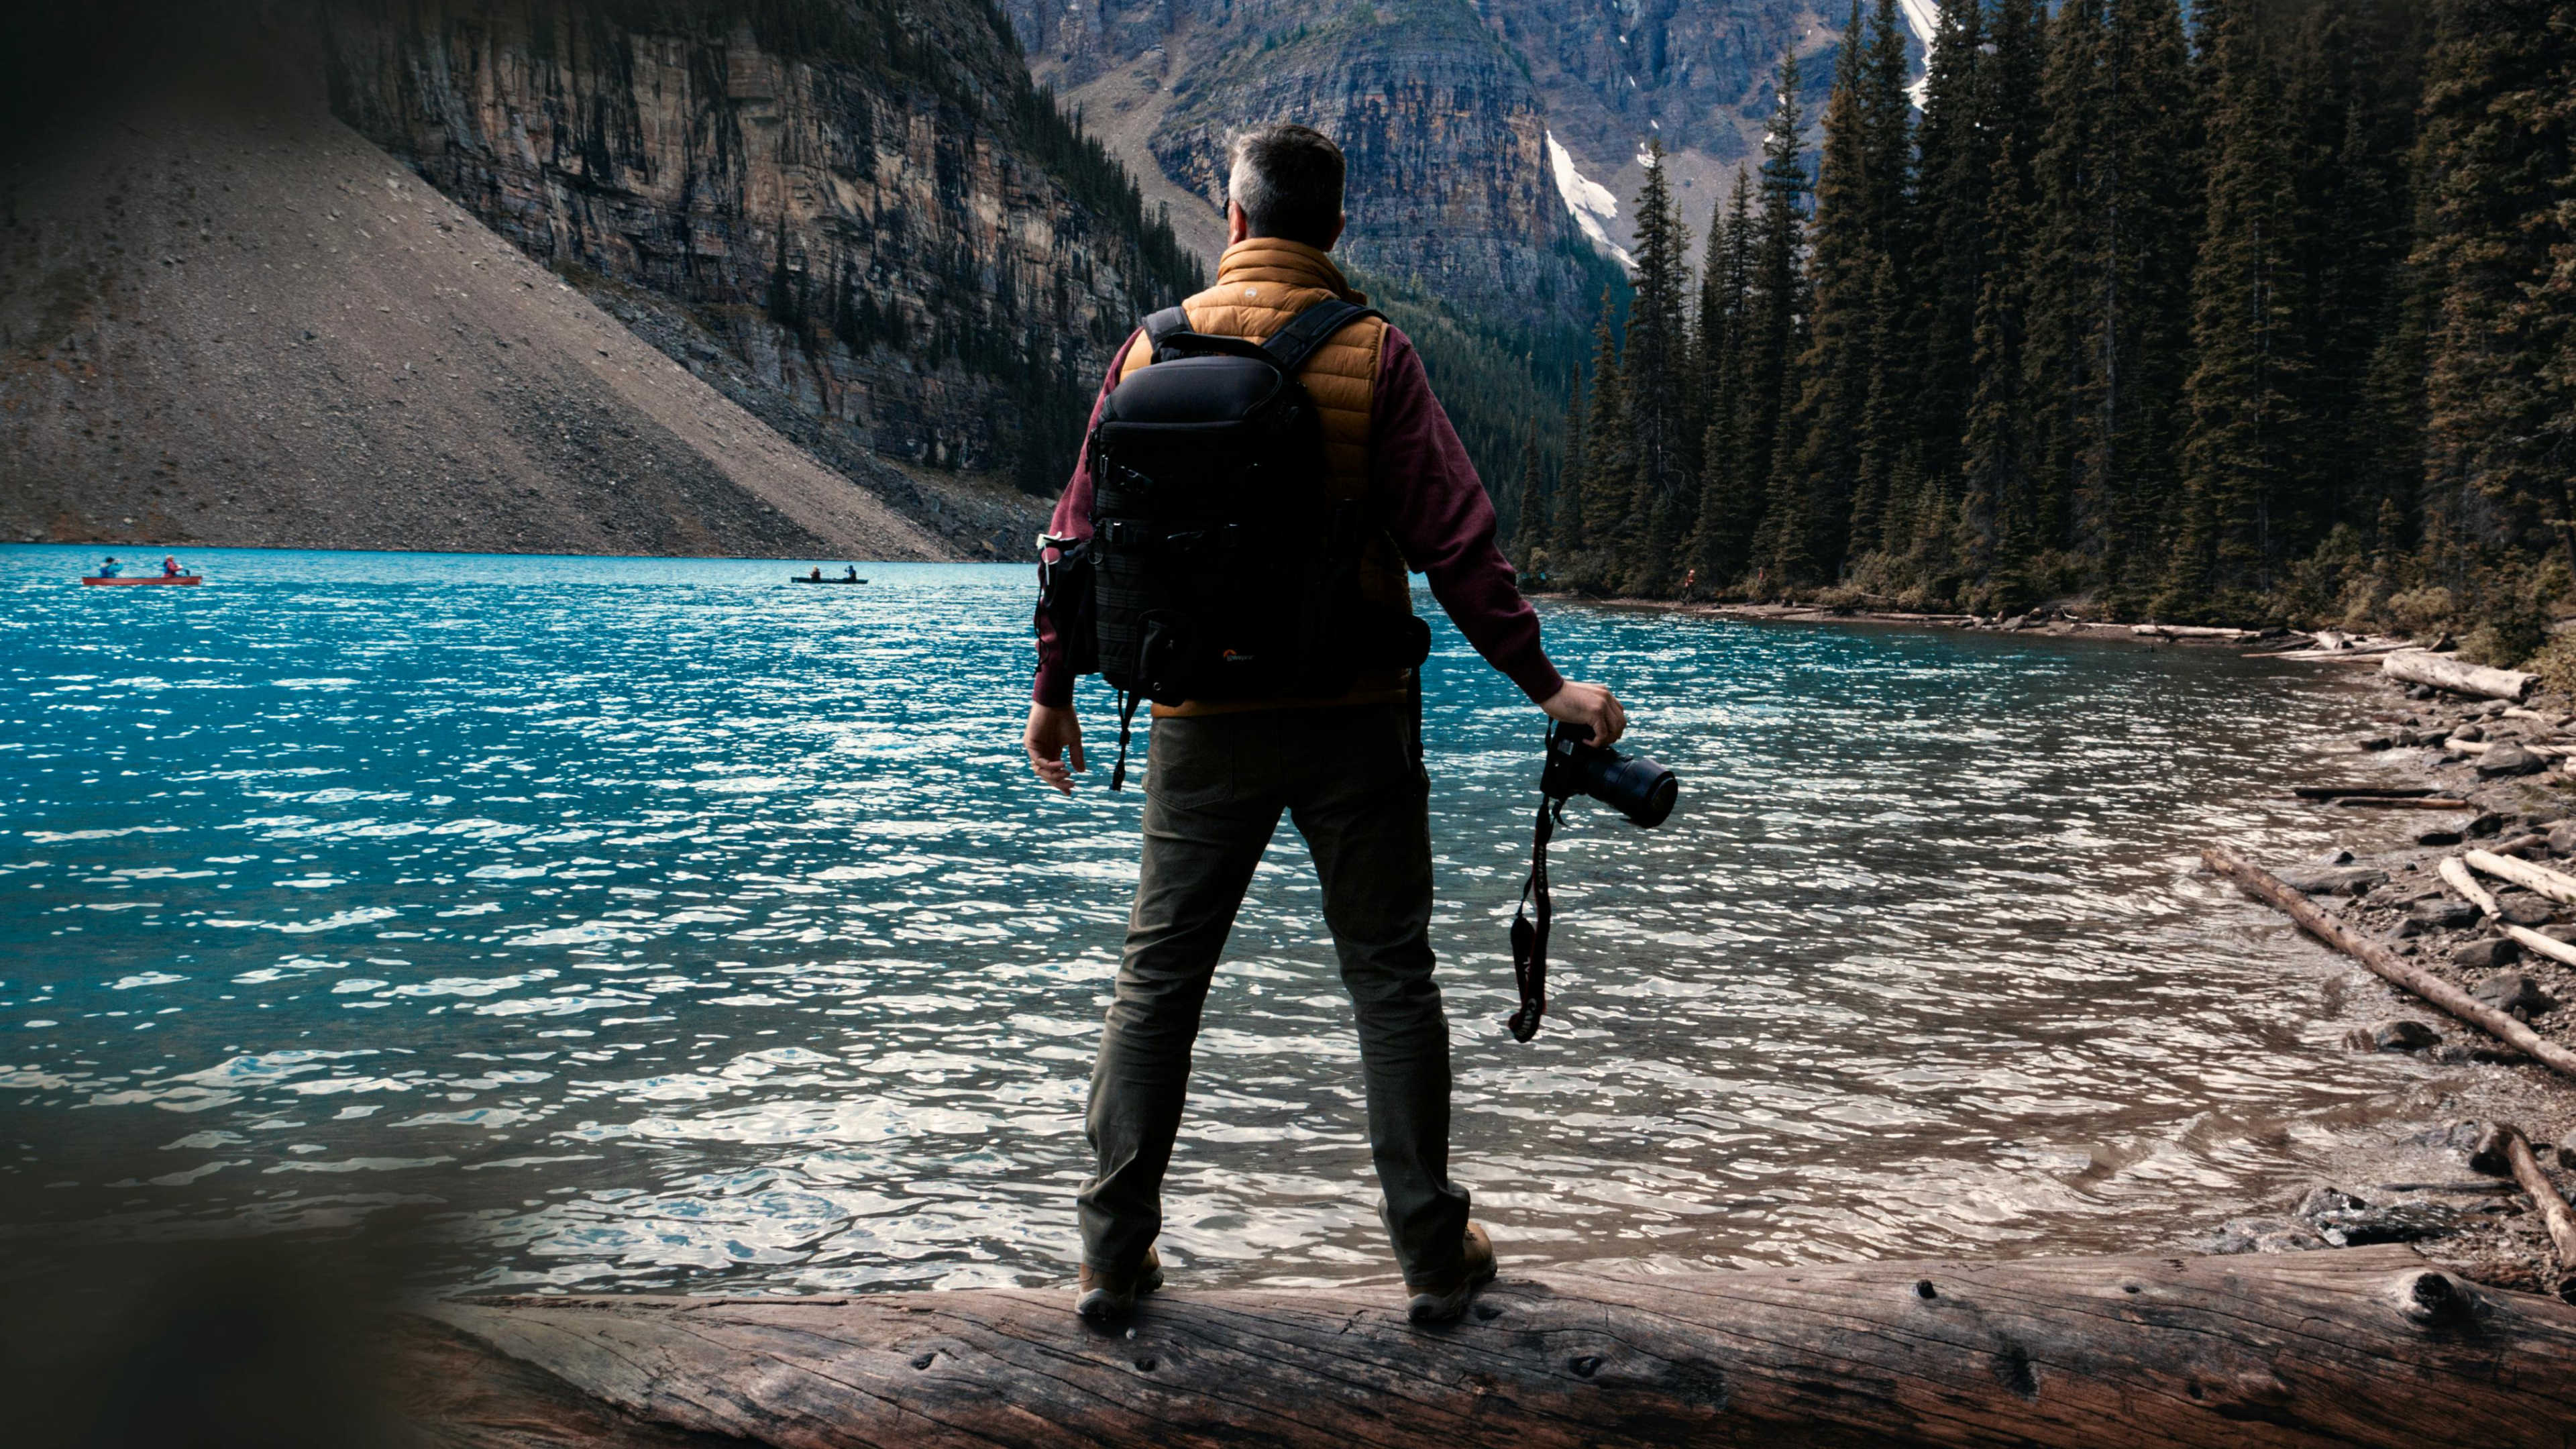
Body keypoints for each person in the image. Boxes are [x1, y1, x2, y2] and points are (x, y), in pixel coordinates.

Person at [1024, 123, 1627, 1327]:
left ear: (1235, 223)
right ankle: (1431, 1258)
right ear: (1335, 230)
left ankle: (1109, 1255)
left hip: (1196, 722)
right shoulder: (1374, 354)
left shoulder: (1151, 348)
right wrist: (1547, 686)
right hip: (1353, 720)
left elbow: (1074, 541)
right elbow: (1458, 544)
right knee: (1390, 978)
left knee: (1159, 979)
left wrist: (1052, 696)